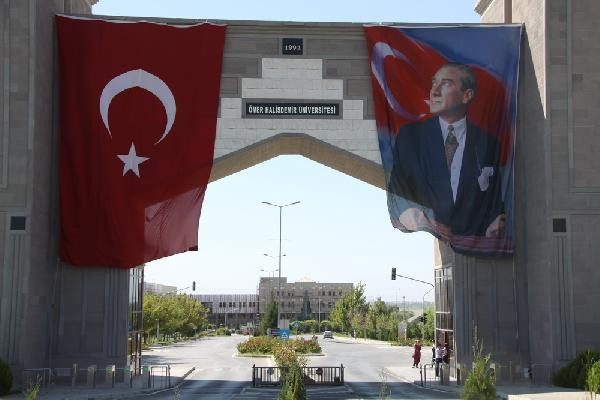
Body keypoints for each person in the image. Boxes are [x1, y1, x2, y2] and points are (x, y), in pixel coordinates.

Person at [388, 62, 505, 239]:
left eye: (446, 84)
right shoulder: (411, 138)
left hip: (474, 242)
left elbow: (493, 200)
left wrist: (495, 222)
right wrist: (407, 212)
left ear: (467, 95)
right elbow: (398, 188)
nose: (434, 92)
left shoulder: (488, 144)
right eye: (434, 83)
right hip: (428, 234)